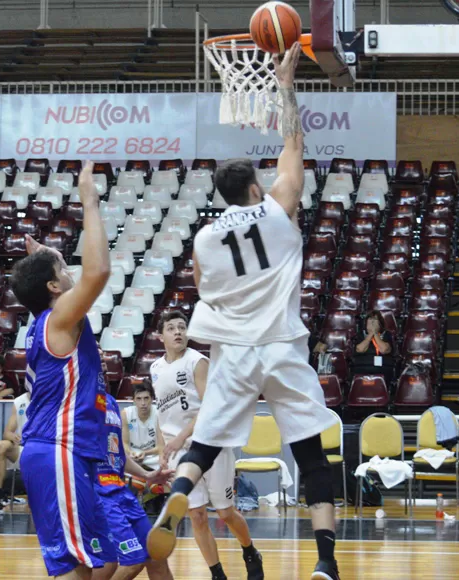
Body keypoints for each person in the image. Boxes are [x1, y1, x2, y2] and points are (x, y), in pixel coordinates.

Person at [146, 44, 340, 580]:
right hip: (281, 346)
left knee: (205, 445)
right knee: (311, 458)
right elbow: (294, 142)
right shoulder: (278, 207)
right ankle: (325, 564)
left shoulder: (205, 238)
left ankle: (179, 493)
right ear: (255, 188)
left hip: (231, 351)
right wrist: (284, 83)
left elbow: (205, 288)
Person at [11, 161, 116, 580]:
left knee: (97, 562)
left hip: (64, 450)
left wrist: (44, 260)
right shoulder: (58, 320)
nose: (70, 273)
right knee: (76, 570)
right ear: (53, 289)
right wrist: (89, 200)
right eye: (61, 272)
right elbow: (99, 271)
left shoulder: (44, 321)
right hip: (58, 449)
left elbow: (62, 280)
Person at [150, 310, 264, 580]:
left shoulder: (197, 362)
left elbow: (209, 406)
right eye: (172, 328)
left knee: (225, 513)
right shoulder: (155, 369)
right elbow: (162, 413)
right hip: (179, 452)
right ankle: (217, 574)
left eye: (182, 327)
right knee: (197, 515)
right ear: (160, 336)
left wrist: (181, 437)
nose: (178, 332)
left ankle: (249, 550)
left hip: (209, 445)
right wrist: (162, 449)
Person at [92, 389, 174, 580]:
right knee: (132, 560)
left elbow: (118, 454)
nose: (103, 359)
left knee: (156, 555)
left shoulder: (111, 402)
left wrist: (147, 475)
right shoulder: (77, 399)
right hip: (98, 493)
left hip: (120, 489)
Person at [0, 390, 31, 516]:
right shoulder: (20, 401)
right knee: (1, 445)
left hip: (44, 447)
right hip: (22, 448)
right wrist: (14, 437)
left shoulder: (52, 396)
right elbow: (7, 432)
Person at [121, 381, 161, 470]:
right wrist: (130, 452)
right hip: (133, 455)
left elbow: (161, 446)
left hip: (153, 456)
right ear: (133, 400)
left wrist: (145, 453)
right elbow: (125, 443)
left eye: (146, 398)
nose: (143, 403)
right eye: (138, 399)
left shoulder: (159, 413)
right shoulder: (126, 414)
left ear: (152, 399)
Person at [351, 310, 395, 383]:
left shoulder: (386, 334)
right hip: (362, 370)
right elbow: (360, 349)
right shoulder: (361, 335)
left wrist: (375, 333)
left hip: (383, 370)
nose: (372, 323)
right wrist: (370, 334)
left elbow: (383, 349)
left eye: (375, 320)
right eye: (370, 319)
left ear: (380, 323)